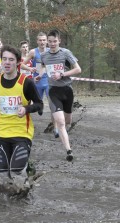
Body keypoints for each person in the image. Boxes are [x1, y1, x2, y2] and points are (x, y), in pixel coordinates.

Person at [0, 45, 43, 189]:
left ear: (18, 63)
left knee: (16, 170)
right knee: (3, 174)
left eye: (11, 60)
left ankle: (25, 184)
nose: (7, 63)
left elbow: (40, 105)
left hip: (22, 132)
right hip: (1, 132)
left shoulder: (26, 83)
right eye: (5, 59)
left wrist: (26, 108)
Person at [39, 29, 81, 161]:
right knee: (61, 122)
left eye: (54, 41)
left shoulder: (65, 53)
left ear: (59, 41)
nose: (52, 44)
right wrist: (39, 76)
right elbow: (43, 67)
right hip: (53, 91)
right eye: (49, 41)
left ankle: (63, 128)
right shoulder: (44, 55)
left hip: (67, 90)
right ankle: (69, 151)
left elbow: (78, 69)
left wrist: (62, 74)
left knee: (67, 121)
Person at [21, 32, 59, 138]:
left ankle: (55, 128)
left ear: (46, 41)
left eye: (44, 40)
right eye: (40, 40)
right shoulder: (33, 52)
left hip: (49, 82)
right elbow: (22, 64)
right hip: (37, 82)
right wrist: (30, 68)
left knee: (53, 105)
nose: (42, 42)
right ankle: (39, 108)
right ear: (37, 41)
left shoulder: (51, 51)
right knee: (37, 103)